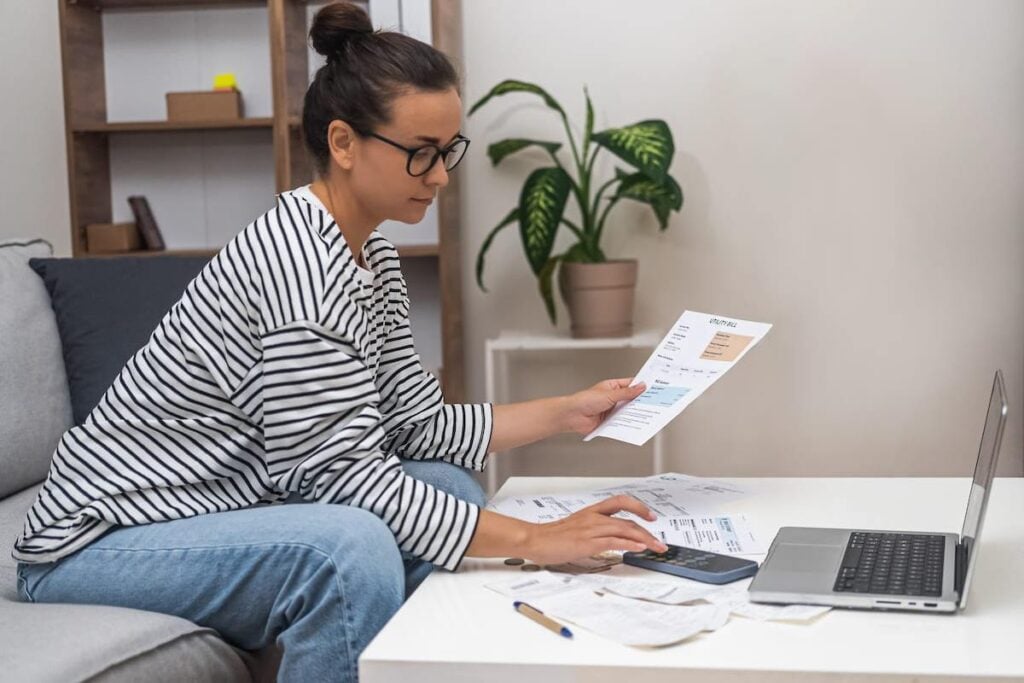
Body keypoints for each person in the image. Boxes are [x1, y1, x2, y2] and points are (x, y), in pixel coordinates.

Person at [13, 2, 667, 680]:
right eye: (421, 153)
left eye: (448, 151)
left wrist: (567, 410)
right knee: (345, 550)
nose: (441, 176)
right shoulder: (299, 265)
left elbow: (415, 427)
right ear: (344, 143)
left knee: (447, 483)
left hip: (219, 505)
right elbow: (341, 477)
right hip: (98, 541)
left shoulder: (371, 256)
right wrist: (537, 537)